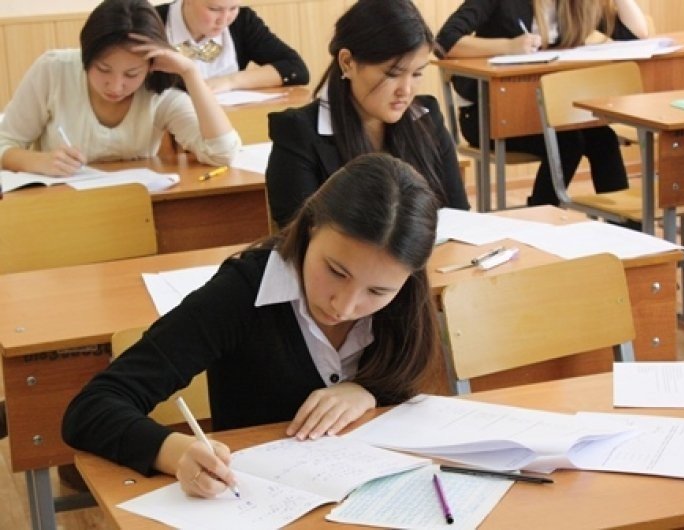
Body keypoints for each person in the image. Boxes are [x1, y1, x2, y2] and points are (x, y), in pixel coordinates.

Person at [62, 152, 441, 498]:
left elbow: (402, 388)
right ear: (311, 226)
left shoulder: (405, 299)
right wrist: (174, 452)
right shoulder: (242, 293)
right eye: (335, 271)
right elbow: (92, 408)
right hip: (260, 505)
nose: (345, 305)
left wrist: (366, 391)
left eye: (377, 291)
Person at [265, 0, 469, 229]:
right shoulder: (298, 133)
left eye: (417, 74)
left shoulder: (426, 117)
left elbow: (459, 215)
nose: (406, 90)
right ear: (347, 63)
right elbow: (299, 237)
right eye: (392, 74)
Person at [436, 0, 649, 207]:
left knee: (603, 138)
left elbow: (635, 36)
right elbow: (445, 41)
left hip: (545, 113)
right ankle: (541, 212)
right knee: (567, 142)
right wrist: (508, 46)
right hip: (486, 116)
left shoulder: (578, 4)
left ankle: (625, 223)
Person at [0, 0, 239, 177]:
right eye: (103, 69)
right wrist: (37, 161)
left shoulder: (159, 92)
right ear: (86, 56)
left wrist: (190, 73)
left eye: (131, 74)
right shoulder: (54, 71)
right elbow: (4, 142)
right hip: (60, 207)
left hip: (135, 206)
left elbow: (222, 153)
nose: (115, 86)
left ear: (151, 66)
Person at [155, 0, 309, 93]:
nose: (224, 20)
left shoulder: (242, 21)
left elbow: (295, 69)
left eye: (233, 8)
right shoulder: (151, 23)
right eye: (214, 9)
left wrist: (229, 82)